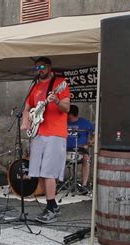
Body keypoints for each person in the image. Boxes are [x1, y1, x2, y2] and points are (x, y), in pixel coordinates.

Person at [20, 57, 70, 224]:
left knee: (48, 171)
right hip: (38, 133)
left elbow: (66, 108)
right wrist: (26, 120)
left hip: (54, 133)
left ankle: (50, 207)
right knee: (38, 171)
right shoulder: (34, 86)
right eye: (36, 68)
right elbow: (27, 108)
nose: (39, 70)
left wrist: (56, 100)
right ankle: (53, 205)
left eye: (41, 67)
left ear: (49, 67)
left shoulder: (60, 83)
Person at [67, 104, 94, 195]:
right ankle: (53, 183)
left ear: (71, 114)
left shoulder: (84, 122)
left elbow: (96, 133)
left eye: (67, 113)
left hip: (80, 149)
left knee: (86, 158)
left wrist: (89, 143)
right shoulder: (63, 122)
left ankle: (84, 185)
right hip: (65, 148)